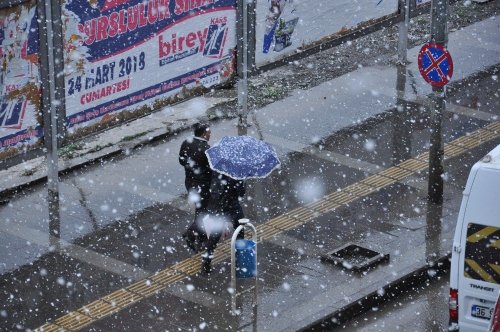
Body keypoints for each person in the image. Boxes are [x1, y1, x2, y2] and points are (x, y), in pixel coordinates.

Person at [200, 172, 246, 274]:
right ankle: (239, 261)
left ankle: (206, 263)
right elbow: (241, 192)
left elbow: (214, 189)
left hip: (221, 206)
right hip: (232, 206)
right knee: (240, 231)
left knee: (215, 235)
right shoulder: (237, 172)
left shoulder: (218, 170)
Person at [178, 122, 212, 252]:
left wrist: (191, 166)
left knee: (200, 209)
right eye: (209, 133)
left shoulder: (187, 142)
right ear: (204, 134)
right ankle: (191, 234)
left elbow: (181, 160)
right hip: (202, 186)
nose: (209, 135)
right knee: (204, 211)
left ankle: (202, 237)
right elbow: (210, 170)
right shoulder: (206, 150)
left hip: (190, 183)